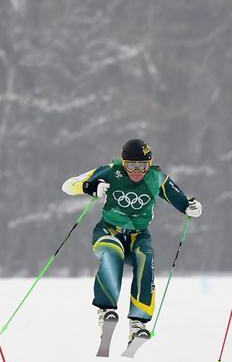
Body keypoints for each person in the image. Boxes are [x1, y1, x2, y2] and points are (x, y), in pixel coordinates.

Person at [62, 138, 202, 345]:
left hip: (138, 236)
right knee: (113, 252)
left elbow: (183, 202)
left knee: (146, 257)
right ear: (123, 162)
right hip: (108, 231)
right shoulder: (110, 172)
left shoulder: (157, 178)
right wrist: (89, 187)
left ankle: (138, 323)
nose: (137, 171)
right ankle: (106, 310)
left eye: (143, 166)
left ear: (150, 164)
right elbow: (67, 186)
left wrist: (192, 207)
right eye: (131, 166)